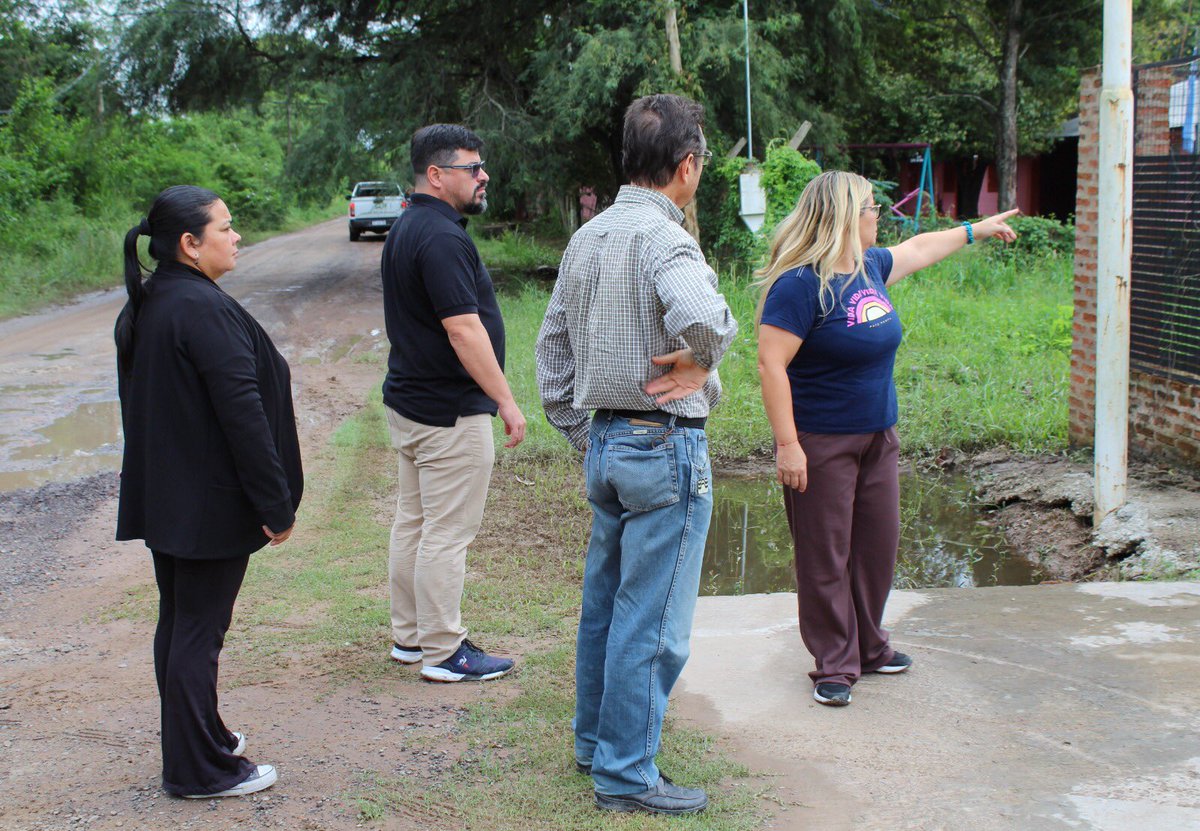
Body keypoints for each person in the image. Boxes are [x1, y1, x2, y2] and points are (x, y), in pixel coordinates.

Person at [536, 93, 737, 816]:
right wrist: (700, 360)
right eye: (702, 164)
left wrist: (583, 433)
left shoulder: (588, 238)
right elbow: (706, 318)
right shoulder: (666, 237)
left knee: (607, 604)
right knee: (652, 619)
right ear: (687, 165)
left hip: (609, 444)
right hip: (662, 443)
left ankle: (596, 742)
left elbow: (551, 352)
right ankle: (624, 772)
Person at [755, 171, 1017, 707]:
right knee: (825, 555)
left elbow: (920, 246)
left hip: (878, 437)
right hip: (821, 442)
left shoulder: (871, 268)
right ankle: (834, 661)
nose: (881, 215)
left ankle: (869, 645)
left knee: (876, 547)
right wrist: (788, 444)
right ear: (847, 217)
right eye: (873, 207)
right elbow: (771, 365)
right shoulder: (800, 285)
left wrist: (976, 230)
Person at [115, 185, 303, 798]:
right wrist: (274, 506)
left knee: (181, 622)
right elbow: (242, 414)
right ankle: (198, 771)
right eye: (225, 227)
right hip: (205, 502)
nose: (236, 235)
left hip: (173, 496)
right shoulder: (198, 308)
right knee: (198, 630)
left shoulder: (157, 299)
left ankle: (203, 740)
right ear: (190, 244)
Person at [380, 124, 525, 683]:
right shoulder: (440, 237)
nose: (483, 175)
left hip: (414, 404)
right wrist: (506, 402)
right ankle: (443, 651)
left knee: (414, 523)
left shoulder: (409, 226)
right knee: (445, 532)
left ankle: (411, 639)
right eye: (472, 167)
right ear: (436, 176)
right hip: (448, 413)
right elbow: (464, 331)